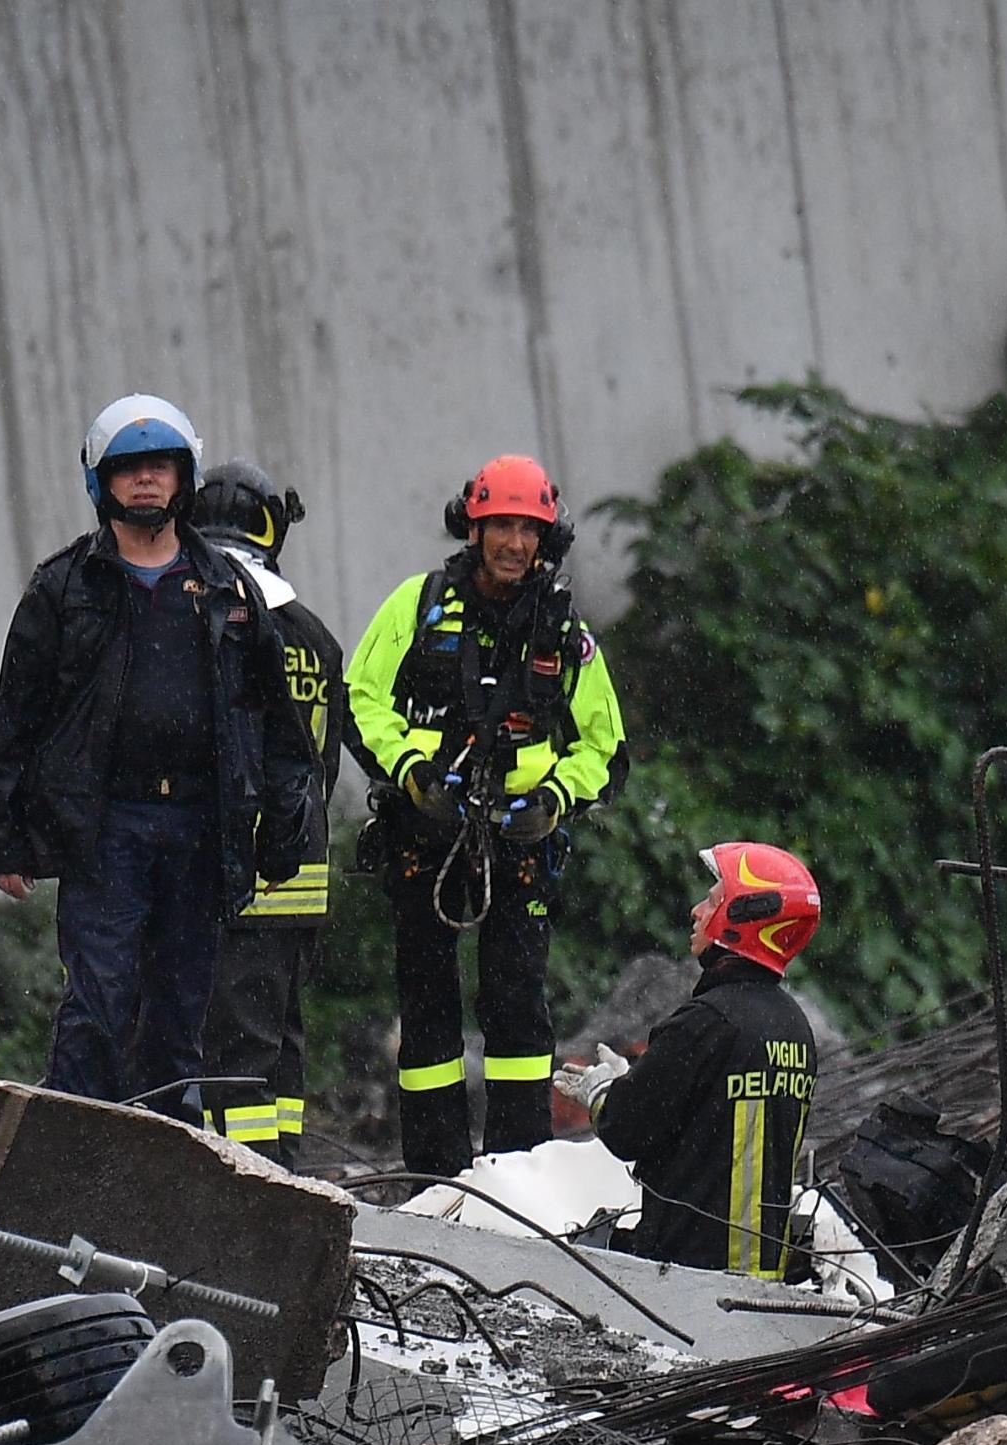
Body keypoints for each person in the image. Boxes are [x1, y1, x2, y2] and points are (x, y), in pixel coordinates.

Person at [0, 394, 309, 1110]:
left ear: (183, 477)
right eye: (130, 469)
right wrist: (3, 835)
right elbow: (17, 718)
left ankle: (163, 1172)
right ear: (103, 482)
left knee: (180, 1014)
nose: (147, 482)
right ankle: (71, 1153)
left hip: (198, 828)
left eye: (160, 466)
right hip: (107, 832)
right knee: (96, 1004)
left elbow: (279, 728)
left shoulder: (229, 590)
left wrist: (281, 834)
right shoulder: (63, 588)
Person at [345, 454, 627, 1177]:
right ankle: (435, 1172)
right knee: (428, 1005)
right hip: (425, 833)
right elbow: (360, 698)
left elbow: (606, 745)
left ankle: (518, 1171)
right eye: (500, 524)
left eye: (527, 529)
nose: (513, 543)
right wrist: (410, 772)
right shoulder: (420, 603)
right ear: (473, 525)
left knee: (517, 1009)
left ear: (546, 537)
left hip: (522, 844)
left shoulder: (564, 632)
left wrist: (554, 800)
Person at [560, 842, 820, 1277]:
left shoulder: (707, 1022)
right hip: (764, 1278)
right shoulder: (793, 1027)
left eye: (714, 899)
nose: (697, 911)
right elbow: (711, 1115)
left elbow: (627, 1130)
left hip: (688, 1275)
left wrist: (603, 1090)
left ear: (742, 918)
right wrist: (640, 1078)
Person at [189, 459, 344, 1168]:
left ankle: (254, 1193)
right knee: (280, 1044)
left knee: (235, 1053)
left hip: (241, 871)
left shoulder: (214, 622)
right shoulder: (315, 636)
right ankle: (286, 1169)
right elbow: (324, 764)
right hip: (301, 875)